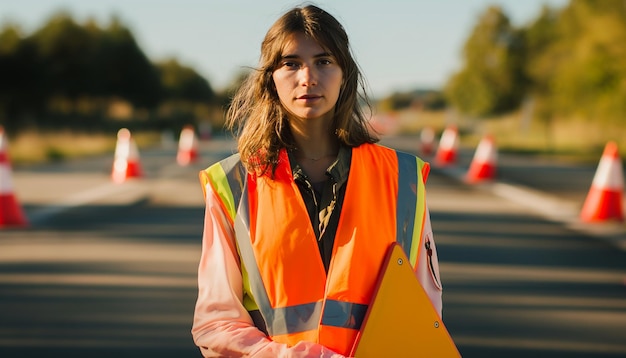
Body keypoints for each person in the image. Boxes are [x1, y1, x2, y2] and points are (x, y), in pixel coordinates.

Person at [192, 4, 443, 357]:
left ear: (345, 74)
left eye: (324, 61)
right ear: (271, 78)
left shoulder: (402, 178)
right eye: (291, 63)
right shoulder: (232, 183)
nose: (307, 77)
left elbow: (424, 316)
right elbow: (215, 323)